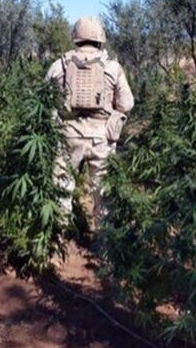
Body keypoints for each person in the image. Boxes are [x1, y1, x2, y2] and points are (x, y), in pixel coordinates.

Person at [46, 16, 134, 230]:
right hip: (101, 138)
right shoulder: (112, 67)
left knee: (61, 190)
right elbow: (127, 103)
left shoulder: (60, 65)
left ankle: (56, 247)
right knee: (103, 194)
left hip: (67, 136)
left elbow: (45, 100)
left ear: (75, 37)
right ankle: (105, 250)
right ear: (99, 39)